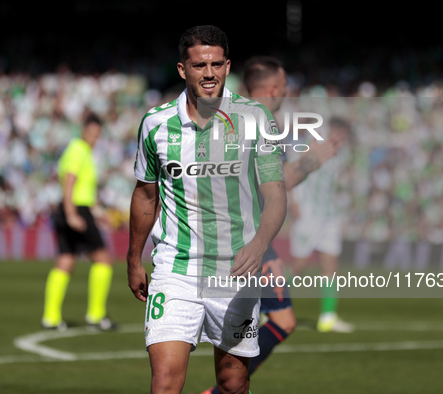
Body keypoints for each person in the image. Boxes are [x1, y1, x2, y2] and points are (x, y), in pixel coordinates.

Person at [127, 26, 287, 394]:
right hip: (174, 268)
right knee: (165, 382)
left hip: (235, 270)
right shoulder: (156, 124)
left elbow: (275, 193)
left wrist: (261, 242)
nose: (210, 73)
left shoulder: (256, 118)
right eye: (200, 65)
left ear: (228, 66)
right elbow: (145, 195)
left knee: (233, 382)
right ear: (183, 69)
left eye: (217, 64)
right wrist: (135, 258)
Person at [203, 56, 340, 393]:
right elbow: (274, 183)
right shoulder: (257, 122)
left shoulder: (233, 117)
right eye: (285, 87)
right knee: (263, 321)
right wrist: (311, 161)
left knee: (277, 320)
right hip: (245, 236)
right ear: (275, 88)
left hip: (244, 234)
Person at [41, 113, 116, 331]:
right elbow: (70, 181)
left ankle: (51, 317)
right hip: (75, 209)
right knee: (103, 259)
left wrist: (96, 210)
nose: (94, 138)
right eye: (92, 133)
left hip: (73, 208)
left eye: (97, 135)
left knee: (66, 260)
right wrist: (72, 213)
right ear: (84, 131)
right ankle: (96, 314)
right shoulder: (78, 150)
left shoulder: (80, 151)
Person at [289, 116, 354, 333]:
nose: (343, 138)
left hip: (328, 217)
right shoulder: (313, 145)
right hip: (308, 215)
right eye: (340, 132)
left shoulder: (338, 154)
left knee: (331, 266)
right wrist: (293, 201)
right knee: (298, 266)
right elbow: (293, 170)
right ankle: (262, 305)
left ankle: (328, 317)